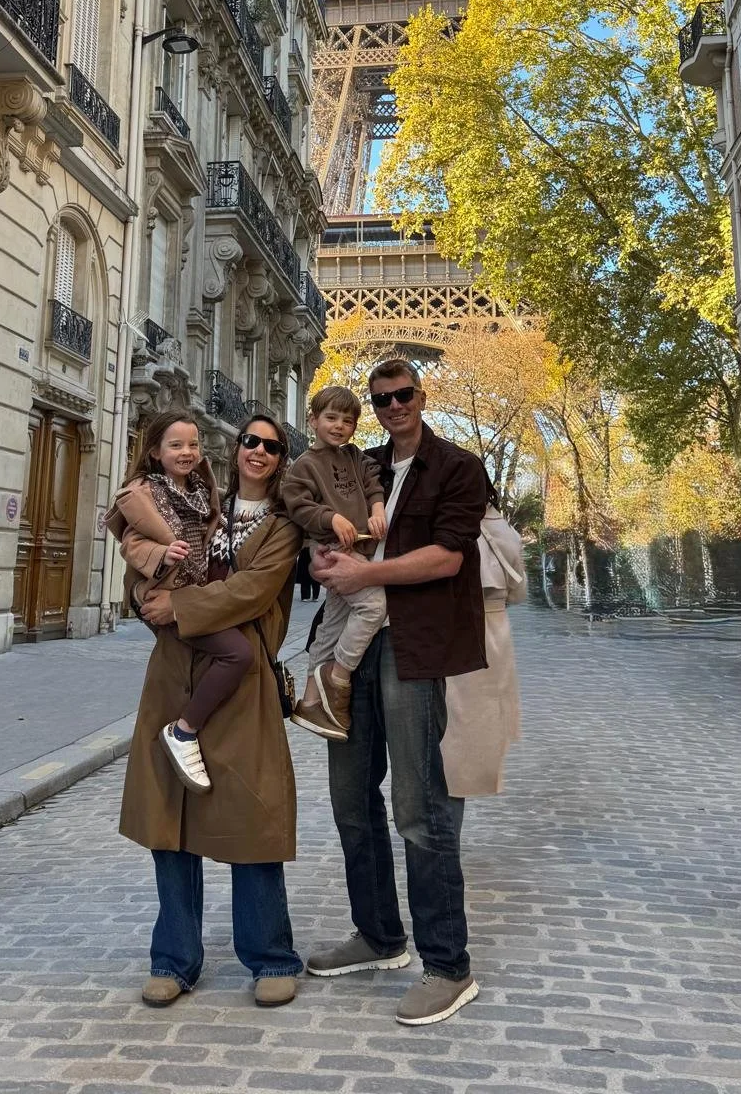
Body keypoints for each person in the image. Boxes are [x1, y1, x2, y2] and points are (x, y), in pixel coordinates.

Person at [306, 358, 487, 1027]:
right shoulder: (362, 465)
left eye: (403, 395)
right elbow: (321, 529)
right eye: (381, 399)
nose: (392, 406)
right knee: (350, 797)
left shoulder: (458, 467)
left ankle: (447, 964)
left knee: (419, 805)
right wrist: (327, 564)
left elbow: (448, 557)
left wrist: (367, 571)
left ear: (421, 394)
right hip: (354, 642)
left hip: (415, 648)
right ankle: (379, 935)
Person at [117, 414, 303, 1009]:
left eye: (272, 446)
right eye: (250, 440)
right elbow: (141, 559)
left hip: (242, 683)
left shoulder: (282, 526)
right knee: (170, 827)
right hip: (175, 676)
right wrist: (148, 591)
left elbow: (253, 590)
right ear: (237, 448)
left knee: (252, 819)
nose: (259, 451)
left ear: (281, 460)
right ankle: (174, 958)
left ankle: (270, 955)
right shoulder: (200, 505)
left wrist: (182, 605)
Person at [109, 413, 251, 794]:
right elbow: (130, 543)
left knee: (219, 656)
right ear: (155, 452)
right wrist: (161, 553)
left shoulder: (203, 490)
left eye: (193, 444)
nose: (187, 452)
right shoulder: (143, 494)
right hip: (162, 594)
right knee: (237, 653)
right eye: (176, 445)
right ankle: (184, 730)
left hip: (191, 593)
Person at [283, 385, 388, 739]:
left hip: (358, 547)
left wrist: (376, 509)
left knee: (331, 626)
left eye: (348, 420)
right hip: (333, 550)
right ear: (312, 420)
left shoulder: (355, 457)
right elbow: (296, 505)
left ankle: (311, 701)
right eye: (331, 417)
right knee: (374, 607)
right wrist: (331, 519)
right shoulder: (304, 466)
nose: (340, 426)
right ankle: (339, 674)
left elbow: (373, 482)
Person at [440, 480, 524, 799]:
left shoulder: (448, 521)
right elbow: (519, 591)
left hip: (458, 628)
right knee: (484, 727)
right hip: (496, 632)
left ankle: (446, 827)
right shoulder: (502, 527)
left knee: (453, 735)